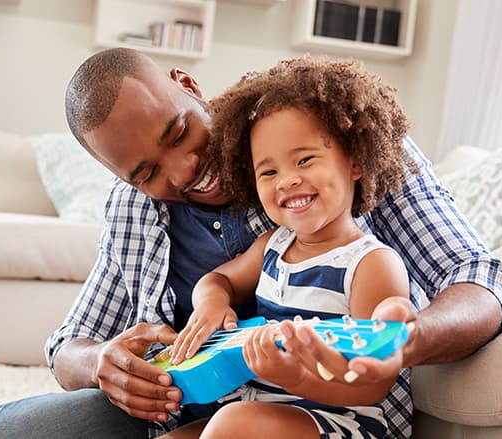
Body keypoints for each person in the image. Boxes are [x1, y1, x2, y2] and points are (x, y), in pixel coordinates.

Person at [0, 48, 502, 439]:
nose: (182, 170)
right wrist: (102, 365)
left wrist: (401, 341)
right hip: (173, 404)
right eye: (146, 171)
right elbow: (68, 346)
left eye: (180, 132)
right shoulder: (134, 204)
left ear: (188, 84)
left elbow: (479, 277)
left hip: (315, 410)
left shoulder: (331, 145)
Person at [161, 55, 415, 439]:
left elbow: (371, 384)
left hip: (343, 420)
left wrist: (295, 378)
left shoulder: (371, 264)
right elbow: (217, 280)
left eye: (305, 160)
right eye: (269, 171)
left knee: (232, 424)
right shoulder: (273, 246)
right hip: (266, 410)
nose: (287, 181)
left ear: (355, 162)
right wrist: (212, 301)